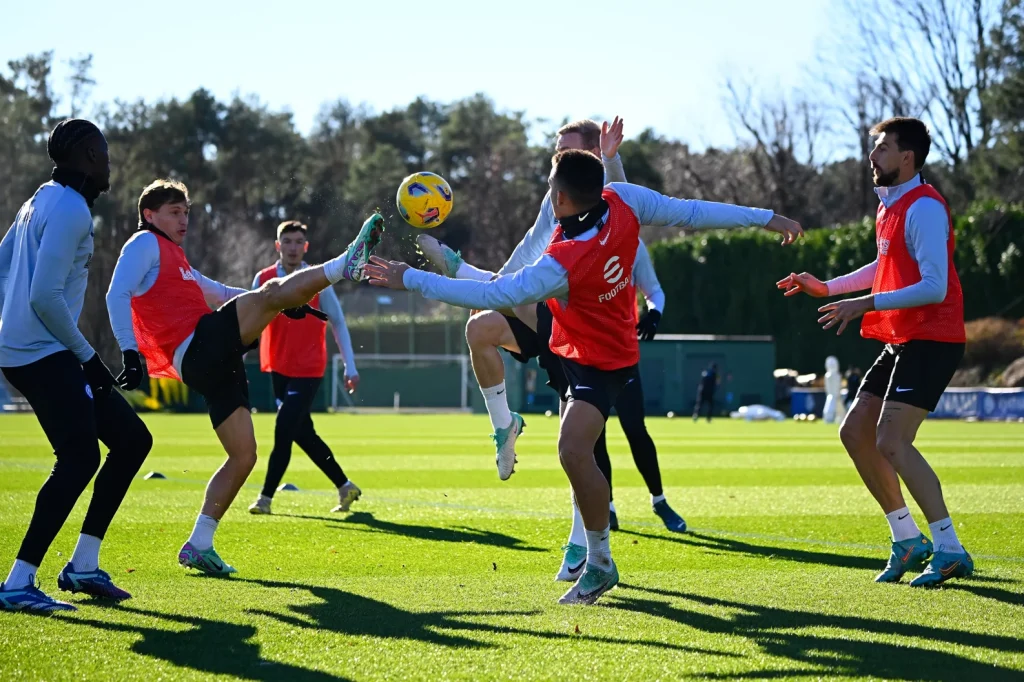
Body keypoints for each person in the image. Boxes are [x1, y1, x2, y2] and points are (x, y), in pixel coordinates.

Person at [367, 149, 802, 604]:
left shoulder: (565, 260)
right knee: (556, 418)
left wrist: (411, 279)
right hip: (575, 332)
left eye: (550, 188)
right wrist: (766, 218)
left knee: (573, 450)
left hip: (600, 359)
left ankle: (597, 561)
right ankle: (592, 555)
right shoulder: (624, 198)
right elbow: (691, 211)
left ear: (560, 199)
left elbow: (495, 294)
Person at [106, 178, 383, 575]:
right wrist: (128, 350)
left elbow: (221, 293)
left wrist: (283, 302)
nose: (184, 220)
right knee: (270, 292)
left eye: (186, 212)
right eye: (174, 212)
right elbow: (115, 293)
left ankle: (199, 543)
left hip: (212, 360)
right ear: (149, 215)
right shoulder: (144, 242)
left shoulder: (175, 256)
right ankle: (345, 264)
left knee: (244, 456)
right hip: (199, 347)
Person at [777, 116, 971, 587]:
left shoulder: (924, 208)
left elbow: (934, 286)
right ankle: (907, 540)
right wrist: (827, 288)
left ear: (907, 157)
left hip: (933, 338)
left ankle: (949, 549)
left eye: (882, 148)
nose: (873, 155)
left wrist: (863, 304)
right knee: (854, 432)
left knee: (891, 441)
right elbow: (884, 264)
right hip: (904, 339)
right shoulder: (891, 206)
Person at [416, 118, 626, 479]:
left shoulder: (603, 194)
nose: (558, 157)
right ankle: (505, 425)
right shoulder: (555, 195)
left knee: (578, 443)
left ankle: (596, 520)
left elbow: (624, 194)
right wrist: (495, 289)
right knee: (479, 328)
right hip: (539, 309)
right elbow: (529, 247)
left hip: (581, 324)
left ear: (592, 152)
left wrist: (610, 159)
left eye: (567, 150)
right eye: (557, 151)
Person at [0, 119, 153, 612]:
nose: (109, 163)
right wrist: (88, 358)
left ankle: (83, 566)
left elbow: (2, 265)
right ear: (88, 154)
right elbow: (44, 297)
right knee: (80, 458)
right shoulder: (69, 209)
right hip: (43, 353)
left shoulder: (39, 199)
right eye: (104, 153)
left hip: (33, 350)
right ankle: (18, 583)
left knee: (132, 441)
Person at [248, 220, 362, 515]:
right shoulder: (264, 279)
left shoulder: (317, 279)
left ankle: (265, 498)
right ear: (278, 245)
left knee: (284, 427)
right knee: (303, 433)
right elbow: (249, 319)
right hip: (277, 369)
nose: (293, 248)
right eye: (287, 241)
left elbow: (338, 322)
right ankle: (345, 486)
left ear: (306, 246)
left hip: (309, 369)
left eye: (299, 242)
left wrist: (350, 366)